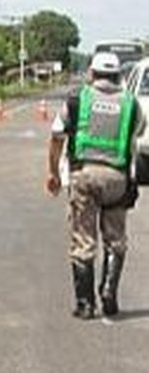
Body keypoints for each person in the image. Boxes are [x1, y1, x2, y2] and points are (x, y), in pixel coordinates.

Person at [46, 51, 144, 319]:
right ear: (118, 76)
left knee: (83, 239)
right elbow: (137, 134)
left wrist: (53, 173)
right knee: (115, 239)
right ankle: (109, 293)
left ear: (92, 74)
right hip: (117, 179)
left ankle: (85, 304)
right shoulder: (131, 104)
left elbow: (56, 136)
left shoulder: (78, 99)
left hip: (84, 176)